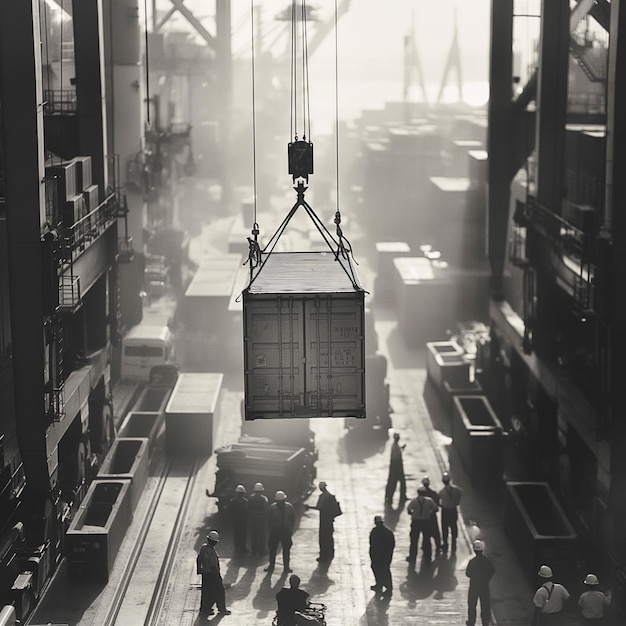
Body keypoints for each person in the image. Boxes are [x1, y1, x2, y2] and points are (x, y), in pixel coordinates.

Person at [196, 530, 231, 616]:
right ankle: (222, 609)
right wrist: (218, 577)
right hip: (212, 574)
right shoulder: (211, 552)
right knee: (219, 591)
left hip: (205, 574)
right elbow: (213, 566)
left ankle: (204, 609)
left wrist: (199, 570)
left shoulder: (203, 547)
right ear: (215, 542)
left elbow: (198, 559)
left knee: (206, 592)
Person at [305, 481, 340, 563]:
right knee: (329, 537)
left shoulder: (323, 496)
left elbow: (319, 507)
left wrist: (309, 507)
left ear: (321, 488)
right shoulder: (330, 496)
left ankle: (323, 556)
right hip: (330, 520)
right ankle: (330, 554)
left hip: (324, 520)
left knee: (323, 538)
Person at [465, 539, 495, 626]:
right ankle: (485, 622)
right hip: (484, 586)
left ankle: (471, 621)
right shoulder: (487, 561)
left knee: (472, 605)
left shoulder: (472, 562)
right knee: (485, 605)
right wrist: (486, 579)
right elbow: (492, 570)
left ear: (474, 550)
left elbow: (467, 573)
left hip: (474, 586)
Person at [265, 490, 296, 573]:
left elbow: (293, 519)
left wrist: (290, 530)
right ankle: (271, 566)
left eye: (282, 501)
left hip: (285, 531)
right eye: (280, 501)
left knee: (286, 550)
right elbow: (269, 520)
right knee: (272, 550)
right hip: (275, 531)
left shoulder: (289, 507)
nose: (281, 502)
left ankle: (286, 567)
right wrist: (270, 531)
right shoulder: (272, 508)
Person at [406, 486, 437, 565]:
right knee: (426, 539)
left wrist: (414, 514)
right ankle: (428, 556)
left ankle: (412, 557)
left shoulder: (413, 501)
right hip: (426, 522)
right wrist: (428, 513)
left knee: (414, 540)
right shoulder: (429, 501)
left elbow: (409, 510)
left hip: (416, 522)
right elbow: (435, 509)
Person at [369, 514, 395, 597]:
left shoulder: (377, 531)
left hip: (382, 554)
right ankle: (379, 584)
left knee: (384, 570)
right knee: (378, 568)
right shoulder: (386, 531)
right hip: (378, 554)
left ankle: (388, 587)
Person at [438, 471, 462, 553]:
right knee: (453, 525)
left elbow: (438, 500)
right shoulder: (456, 489)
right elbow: (460, 493)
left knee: (445, 527)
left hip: (445, 511)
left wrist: (441, 505)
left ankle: (445, 543)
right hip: (453, 510)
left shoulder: (441, 492)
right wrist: (457, 502)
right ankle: (454, 543)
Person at [421, 475, 442, 554]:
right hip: (432, 516)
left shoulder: (421, 496)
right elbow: (437, 504)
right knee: (435, 531)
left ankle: (425, 546)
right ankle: (438, 545)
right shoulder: (433, 493)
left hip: (424, 517)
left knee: (425, 532)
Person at [248, 482, 269, 557]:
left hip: (253, 519)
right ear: (262, 491)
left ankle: (254, 551)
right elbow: (266, 510)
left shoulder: (250, 498)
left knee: (254, 536)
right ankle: (262, 551)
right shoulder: (264, 499)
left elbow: (248, 508)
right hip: (261, 520)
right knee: (262, 536)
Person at [385, 432, 407, 504]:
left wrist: (401, 448)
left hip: (395, 465)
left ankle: (392, 497)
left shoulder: (395, 446)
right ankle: (390, 497)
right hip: (396, 466)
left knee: (397, 482)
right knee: (394, 482)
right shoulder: (395, 446)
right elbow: (396, 456)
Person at [229, 484, 248, 554]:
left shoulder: (232, 501)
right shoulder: (245, 502)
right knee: (243, 534)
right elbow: (247, 512)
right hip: (243, 521)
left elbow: (230, 511)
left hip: (236, 520)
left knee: (236, 534)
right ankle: (243, 548)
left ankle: (237, 548)